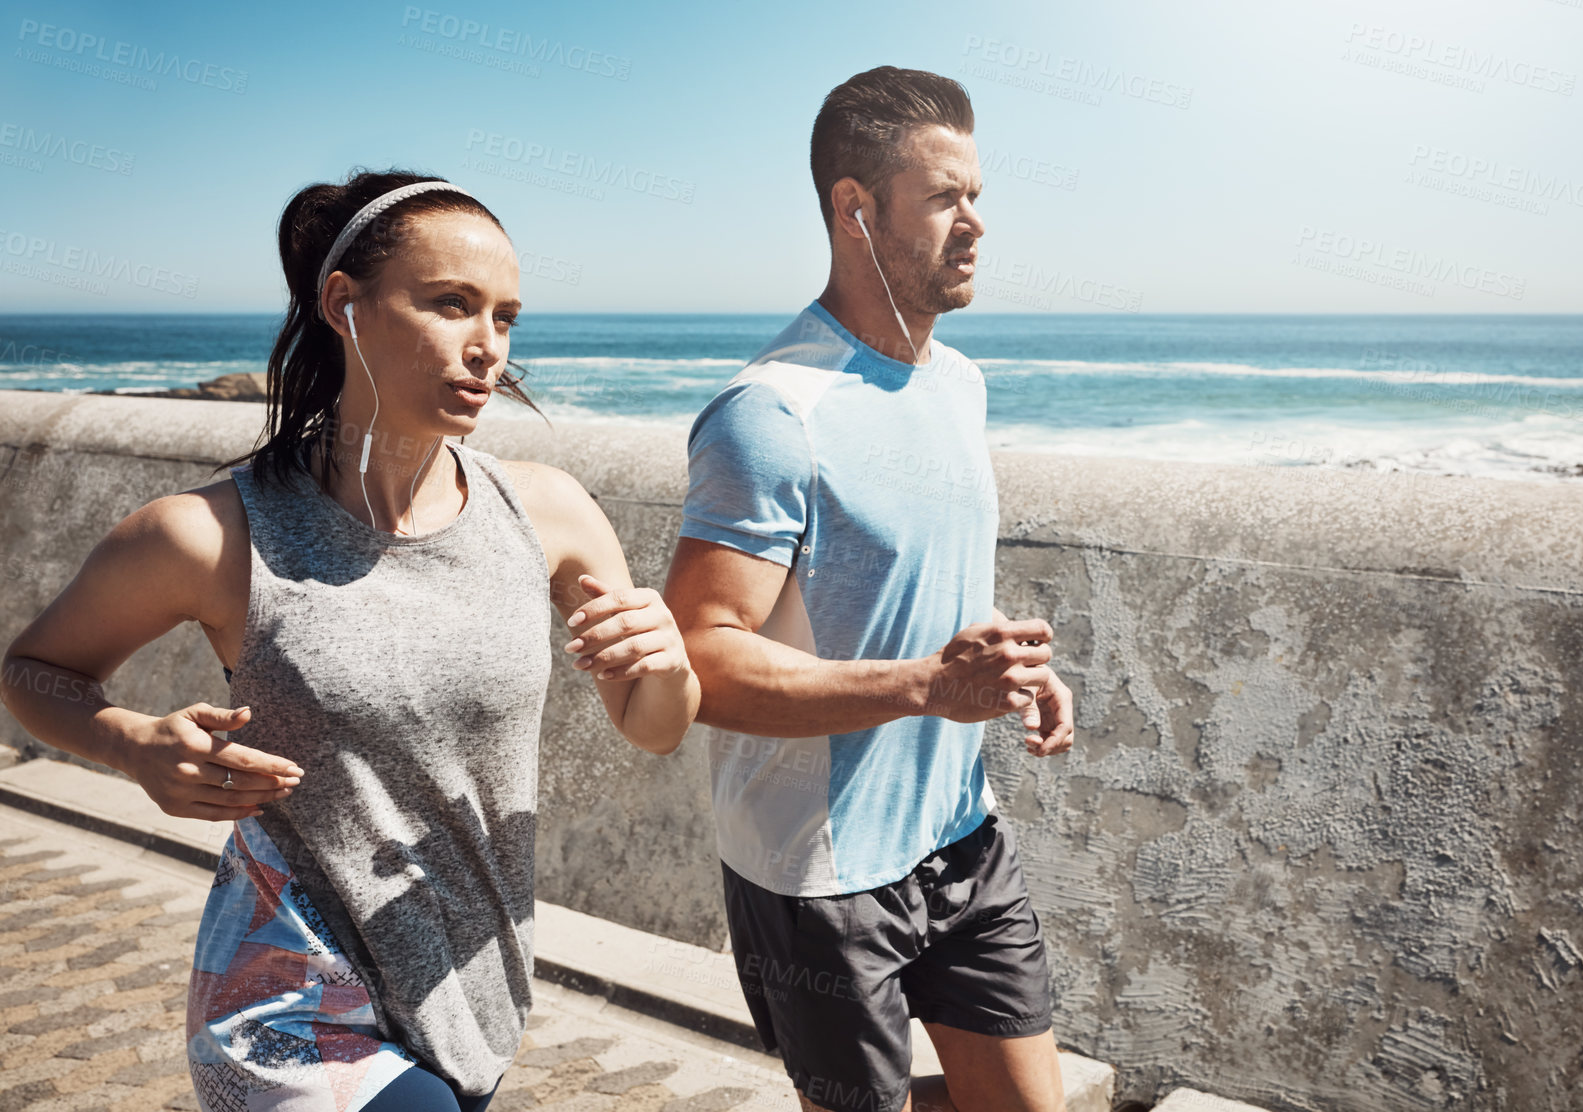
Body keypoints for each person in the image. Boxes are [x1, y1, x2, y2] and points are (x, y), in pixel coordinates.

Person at [0, 169, 700, 1111]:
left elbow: (654, 726)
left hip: (473, 989)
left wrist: (665, 660)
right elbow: (35, 671)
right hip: (284, 998)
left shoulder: (549, 512)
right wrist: (129, 742)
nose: (487, 347)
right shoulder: (206, 535)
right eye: (451, 305)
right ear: (344, 303)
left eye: (505, 317)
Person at [663, 67, 1075, 1112]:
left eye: (977, 195)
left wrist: (1000, 671)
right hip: (820, 876)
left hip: (961, 832)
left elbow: (912, 588)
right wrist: (929, 685)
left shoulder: (959, 382)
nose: (976, 223)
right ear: (856, 207)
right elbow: (700, 657)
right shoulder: (771, 411)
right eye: (945, 198)